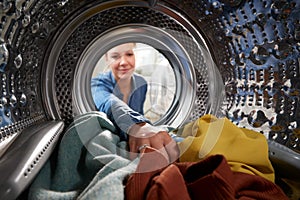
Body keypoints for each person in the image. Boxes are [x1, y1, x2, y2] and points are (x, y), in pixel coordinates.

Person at [91, 43, 178, 163]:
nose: (123, 62)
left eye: (129, 54)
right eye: (115, 56)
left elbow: (139, 113)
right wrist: (137, 126)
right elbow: (109, 102)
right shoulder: (96, 84)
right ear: (106, 59)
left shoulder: (141, 83)